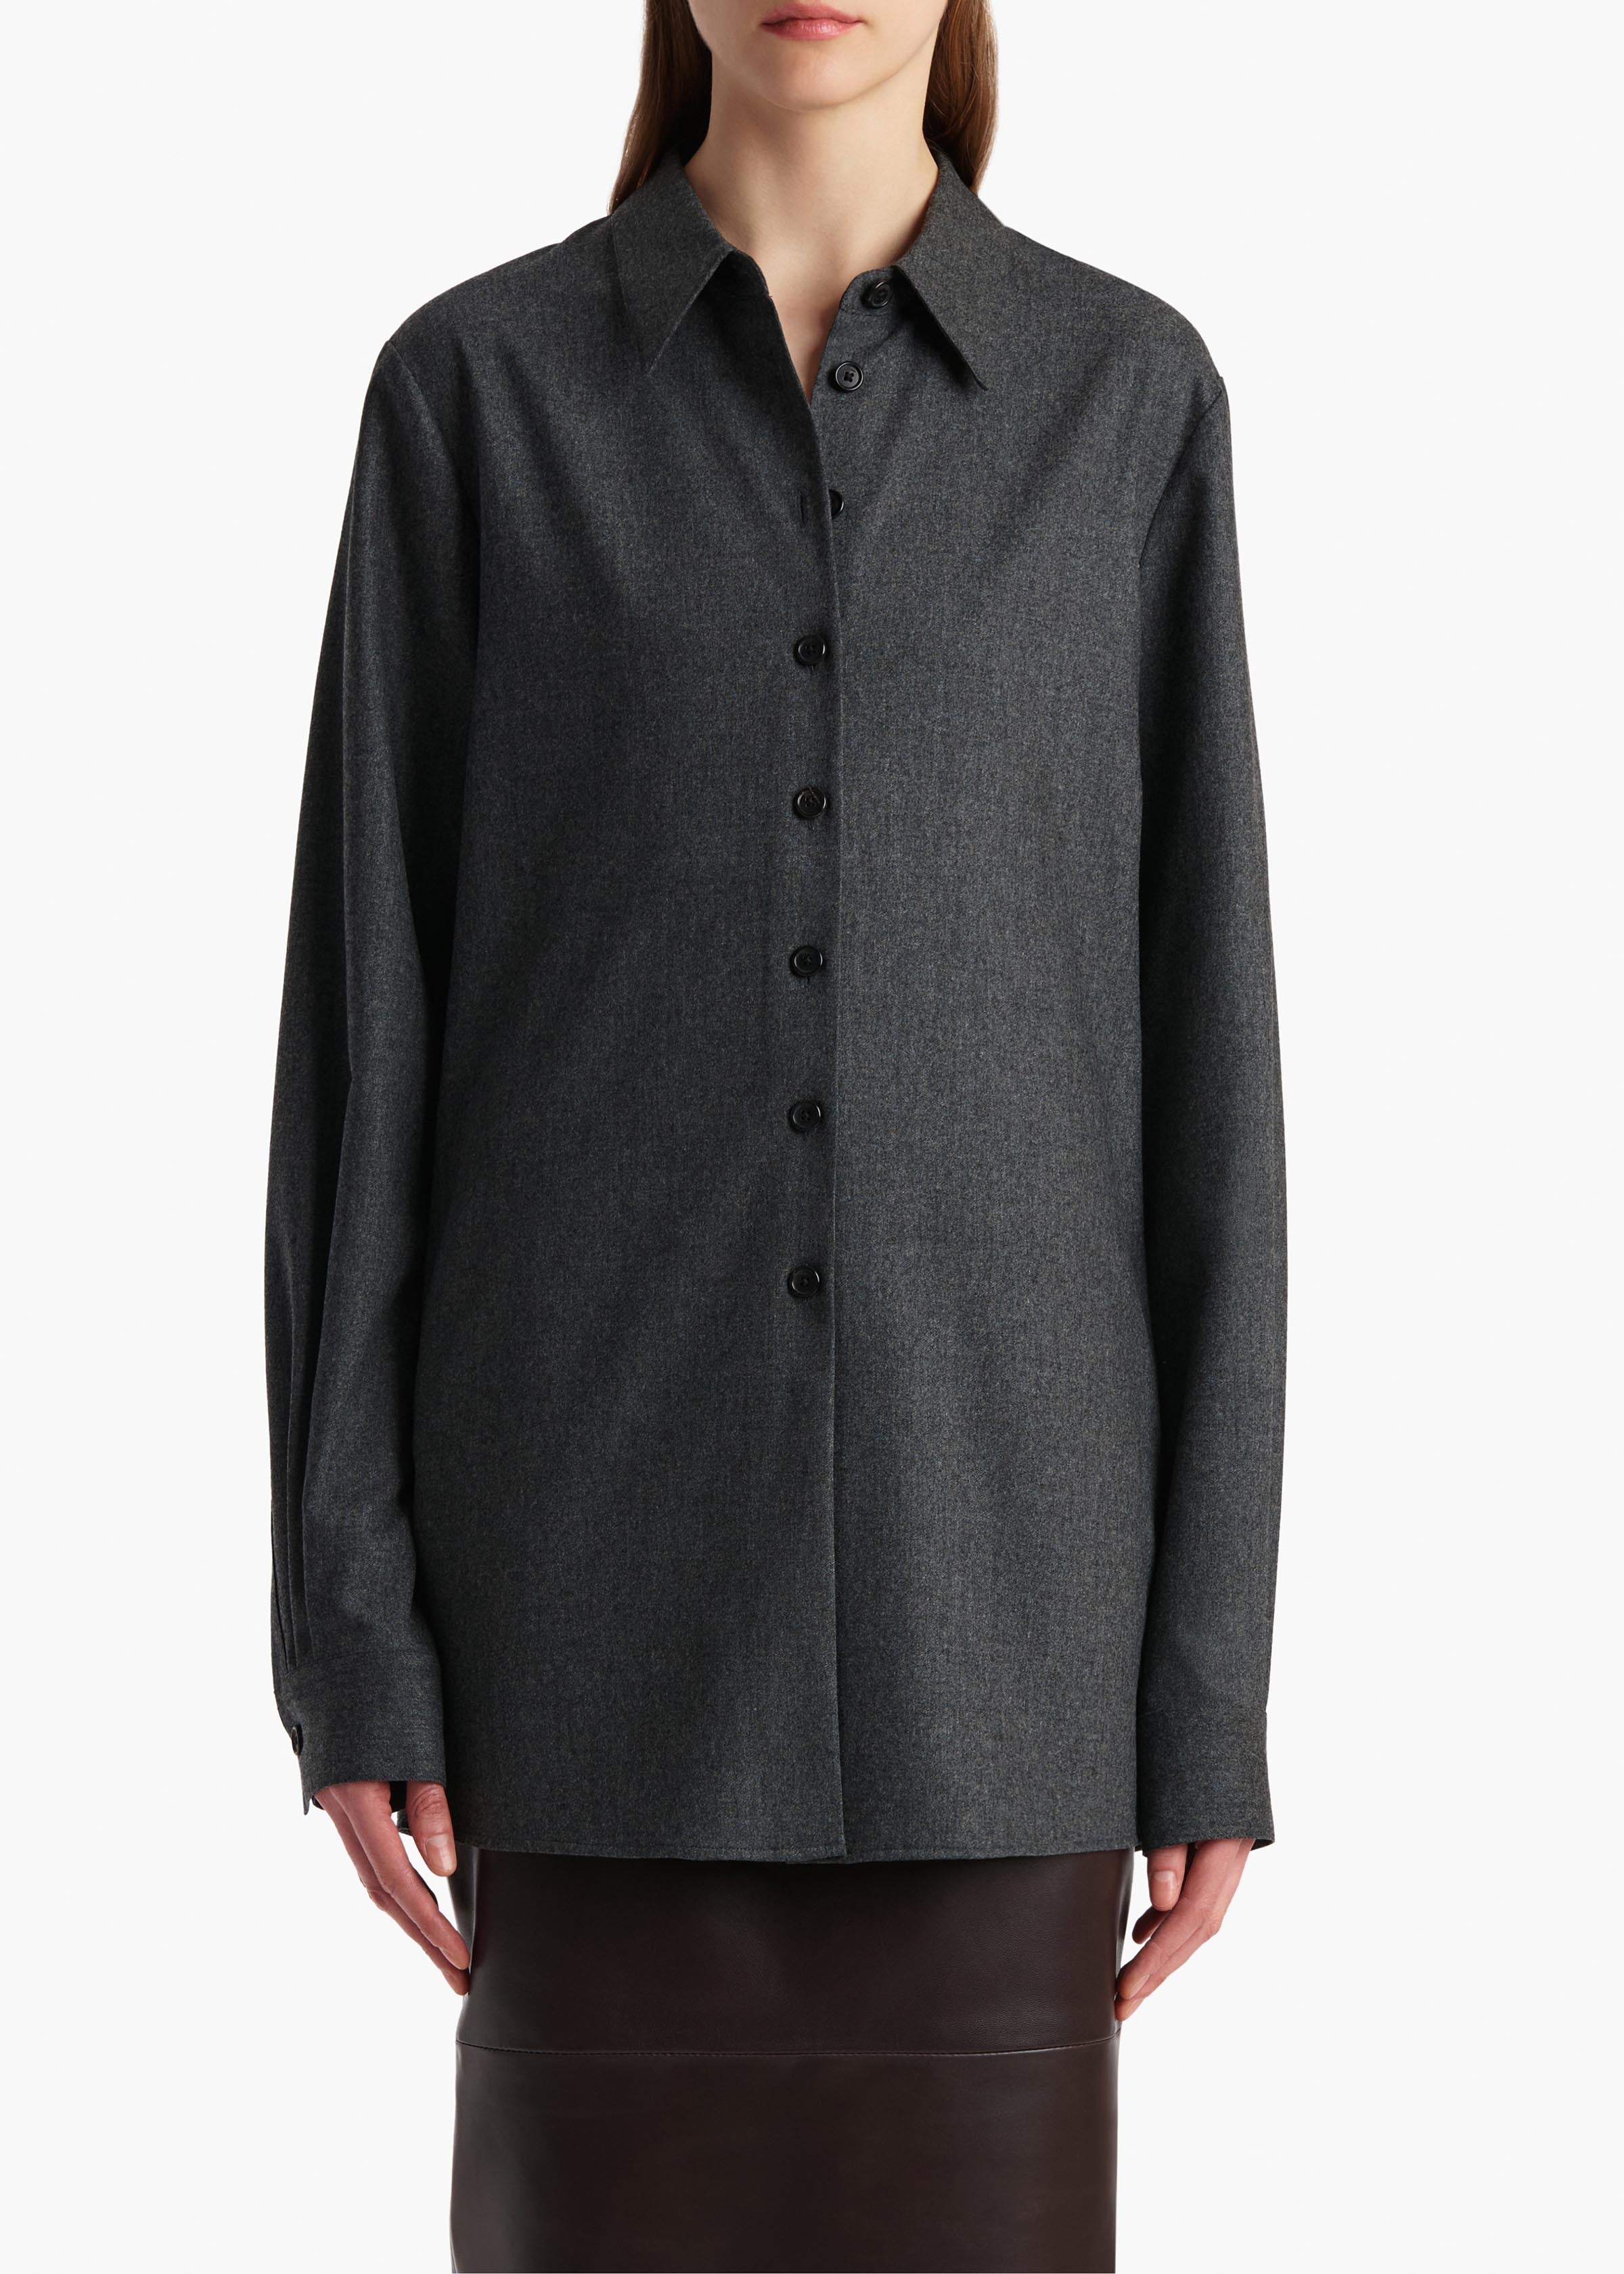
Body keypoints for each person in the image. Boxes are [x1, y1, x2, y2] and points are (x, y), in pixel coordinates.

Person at [265, 1, 1287, 2266]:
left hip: (1002, 1653)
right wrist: (352, 1633)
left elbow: (1209, 1080)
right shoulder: (476, 397)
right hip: (576, 1654)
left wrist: (1205, 1693)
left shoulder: (1129, 403)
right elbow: (365, 1050)